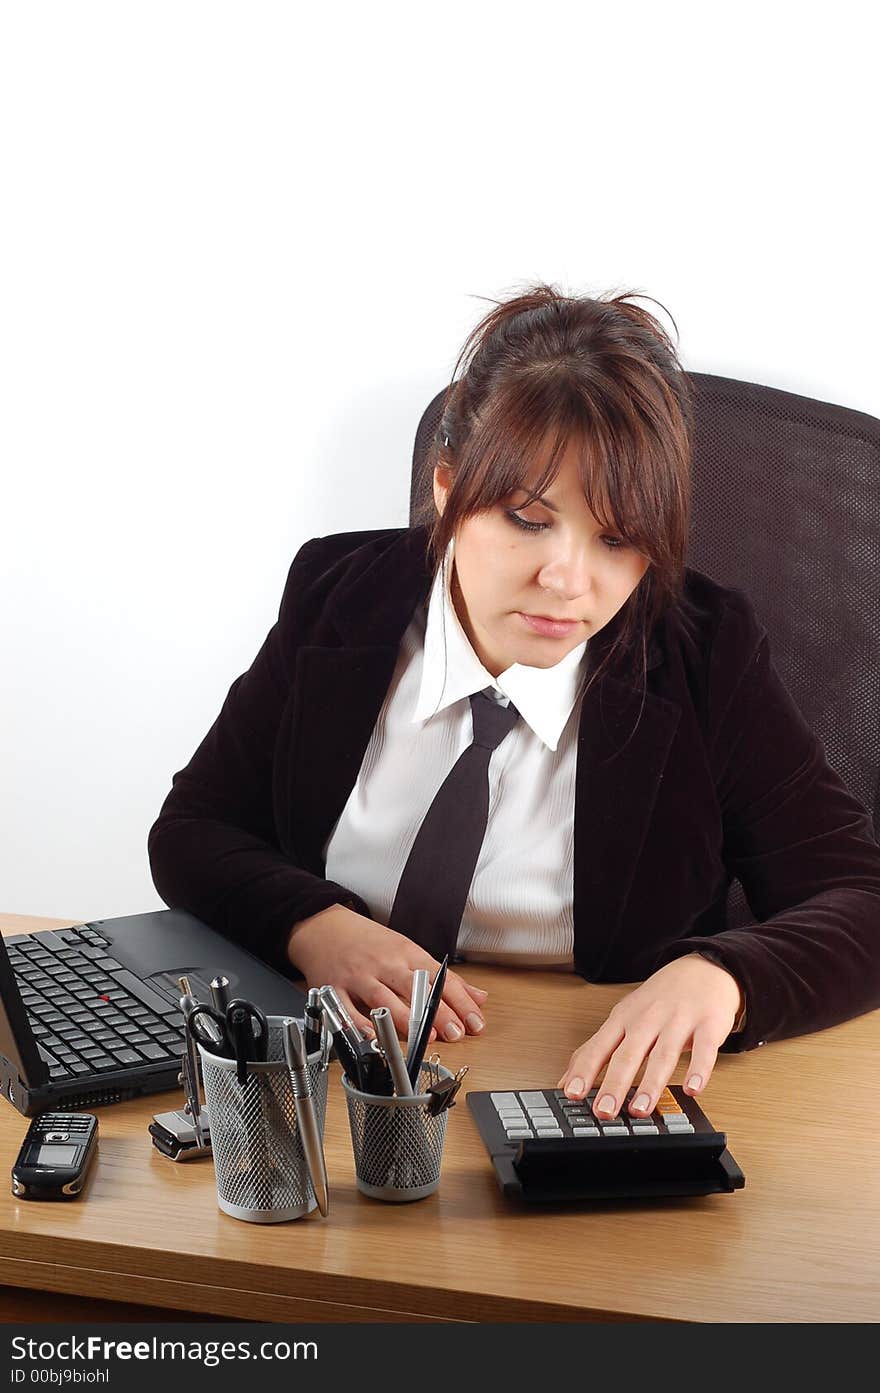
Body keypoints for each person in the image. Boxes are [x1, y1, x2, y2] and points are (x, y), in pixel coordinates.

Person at [148, 282, 880, 1125]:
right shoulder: (335, 596)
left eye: (617, 539)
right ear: (450, 489)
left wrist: (727, 974)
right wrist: (312, 925)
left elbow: (860, 898)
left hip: (580, 1096)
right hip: (336, 1085)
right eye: (529, 519)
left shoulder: (701, 654)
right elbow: (194, 828)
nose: (568, 581)